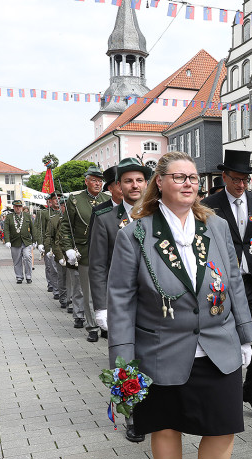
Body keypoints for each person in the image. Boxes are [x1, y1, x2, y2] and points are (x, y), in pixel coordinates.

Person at [108, 151, 252, 459]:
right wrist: (122, 362)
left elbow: (234, 281)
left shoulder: (216, 226)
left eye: (193, 178)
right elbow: (121, 302)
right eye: (179, 177)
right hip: (161, 349)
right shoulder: (136, 235)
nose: (189, 183)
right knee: (165, 428)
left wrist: (247, 336)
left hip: (218, 347)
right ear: (159, 182)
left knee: (223, 429)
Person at [202, 150, 252, 417]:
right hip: (222, 285)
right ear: (224, 176)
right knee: (230, 340)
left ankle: (251, 391)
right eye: (236, 179)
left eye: (246, 179)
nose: (241, 185)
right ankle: (228, 392)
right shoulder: (210, 204)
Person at [89, 158, 150, 443]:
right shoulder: (106, 220)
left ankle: (155, 409)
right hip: (121, 304)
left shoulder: (159, 215)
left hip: (154, 302)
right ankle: (132, 416)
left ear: (146, 183)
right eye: (128, 181)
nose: (134, 185)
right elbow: (98, 266)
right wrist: (100, 307)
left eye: (139, 180)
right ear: (118, 187)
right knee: (124, 360)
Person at [60, 165, 111, 342]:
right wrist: (68, 248)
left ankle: (106, 325)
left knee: (107, 291)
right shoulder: (75, 200)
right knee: (88, 292)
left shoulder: (108, 198)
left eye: (100, 180)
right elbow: (66, 226)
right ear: (86, 181)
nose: (98, 184)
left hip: (107, 251)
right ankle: (92, 326)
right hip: (85, 251)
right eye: (94, 180)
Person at [5, 200, 36, 284]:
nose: (18, 208)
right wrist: (7, 241)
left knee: (27, 257)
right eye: (16, 206)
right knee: (17, 260)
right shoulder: (9, 217)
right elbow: (6, 230)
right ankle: (19, 276)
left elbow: (33, 228)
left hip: (26, 241)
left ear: (22, 207)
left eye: (19, 206)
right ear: (13, 207)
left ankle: (28, 276)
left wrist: (34, 240)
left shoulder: (27, 216)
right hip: (15, 242)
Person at [36, 192, 60, 298]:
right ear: (50, 201)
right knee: (51, 267)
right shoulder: (44, 213)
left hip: (61, 244)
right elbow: (39, 228)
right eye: (55, 199)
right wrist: (40, 243)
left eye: (59, 198)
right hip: (49, 243)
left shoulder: (65, 212)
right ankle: (54, 287)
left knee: (59, 268)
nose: (57, 201)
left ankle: (60, 288)